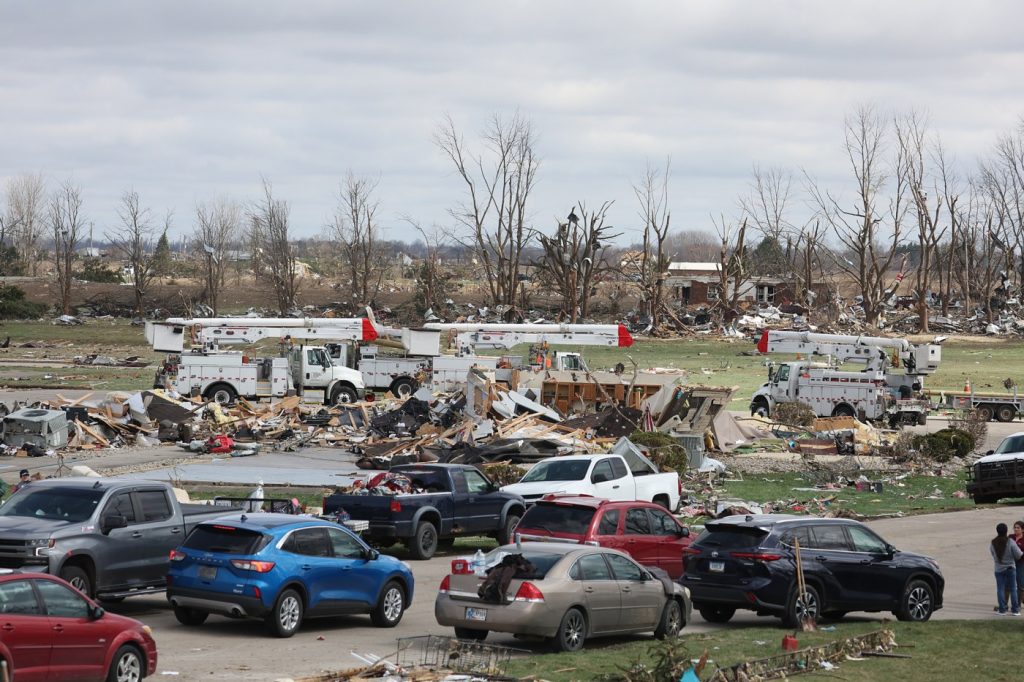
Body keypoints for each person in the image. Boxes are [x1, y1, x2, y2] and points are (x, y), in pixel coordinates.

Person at [991, 522, 1022, 615]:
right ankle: (1015, 610)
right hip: (1010, 568)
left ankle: (1002, 609)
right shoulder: (1010, 542)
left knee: (1000, 589)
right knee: (1013, 589)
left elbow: (993, 554)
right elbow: (1019, 554)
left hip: (999, 569)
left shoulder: (993, 542)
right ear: (1006, 531)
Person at [1014, 521, 1024, 608]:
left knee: (1020, 584)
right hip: (1011, 563)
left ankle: (1018, 604)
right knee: (1009, 584)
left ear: (1022, 530)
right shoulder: (1011, 537)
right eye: (1015, 527)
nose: (1016, 529)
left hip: (1021, 564)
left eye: (1018, 528)